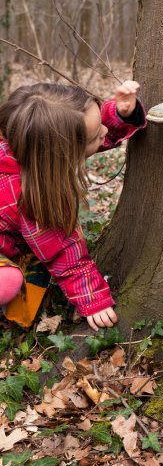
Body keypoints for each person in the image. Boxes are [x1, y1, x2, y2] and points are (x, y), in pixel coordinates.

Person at [0, 80, 146, 331]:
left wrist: (120, 115)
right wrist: (93, 299)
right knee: (8, 281)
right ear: (63, 155)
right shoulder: (31, 197)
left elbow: (84, 129)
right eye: (94, 137)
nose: (103, 131)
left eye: (100, 118)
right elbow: (63, 253)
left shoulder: (27, 140)